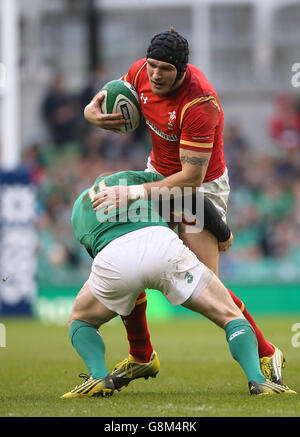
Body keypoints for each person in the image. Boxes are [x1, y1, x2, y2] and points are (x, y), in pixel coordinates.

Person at [84, 28, 285, 389]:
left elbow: (190, 180)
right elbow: (109, 94)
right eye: (151, 66)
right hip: (158, 174)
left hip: (198, 187)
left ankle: (268, 352)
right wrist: (91, 112)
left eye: (164, 69)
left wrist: (134, 195)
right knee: (126, 251)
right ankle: (141, 356)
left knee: (206, 289)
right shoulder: (140, 74)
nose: (155, 75)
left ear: (181, 69)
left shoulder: (200, 103)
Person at [61, 170, 295, 398]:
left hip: (113, 256)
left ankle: (99, 376)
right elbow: (189, 195)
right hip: (161, 243)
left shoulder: (77, 209)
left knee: (80, 319)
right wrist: (223, 233)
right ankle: (258, 380)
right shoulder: (132, 178)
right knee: (230, 315)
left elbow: (96, 252)